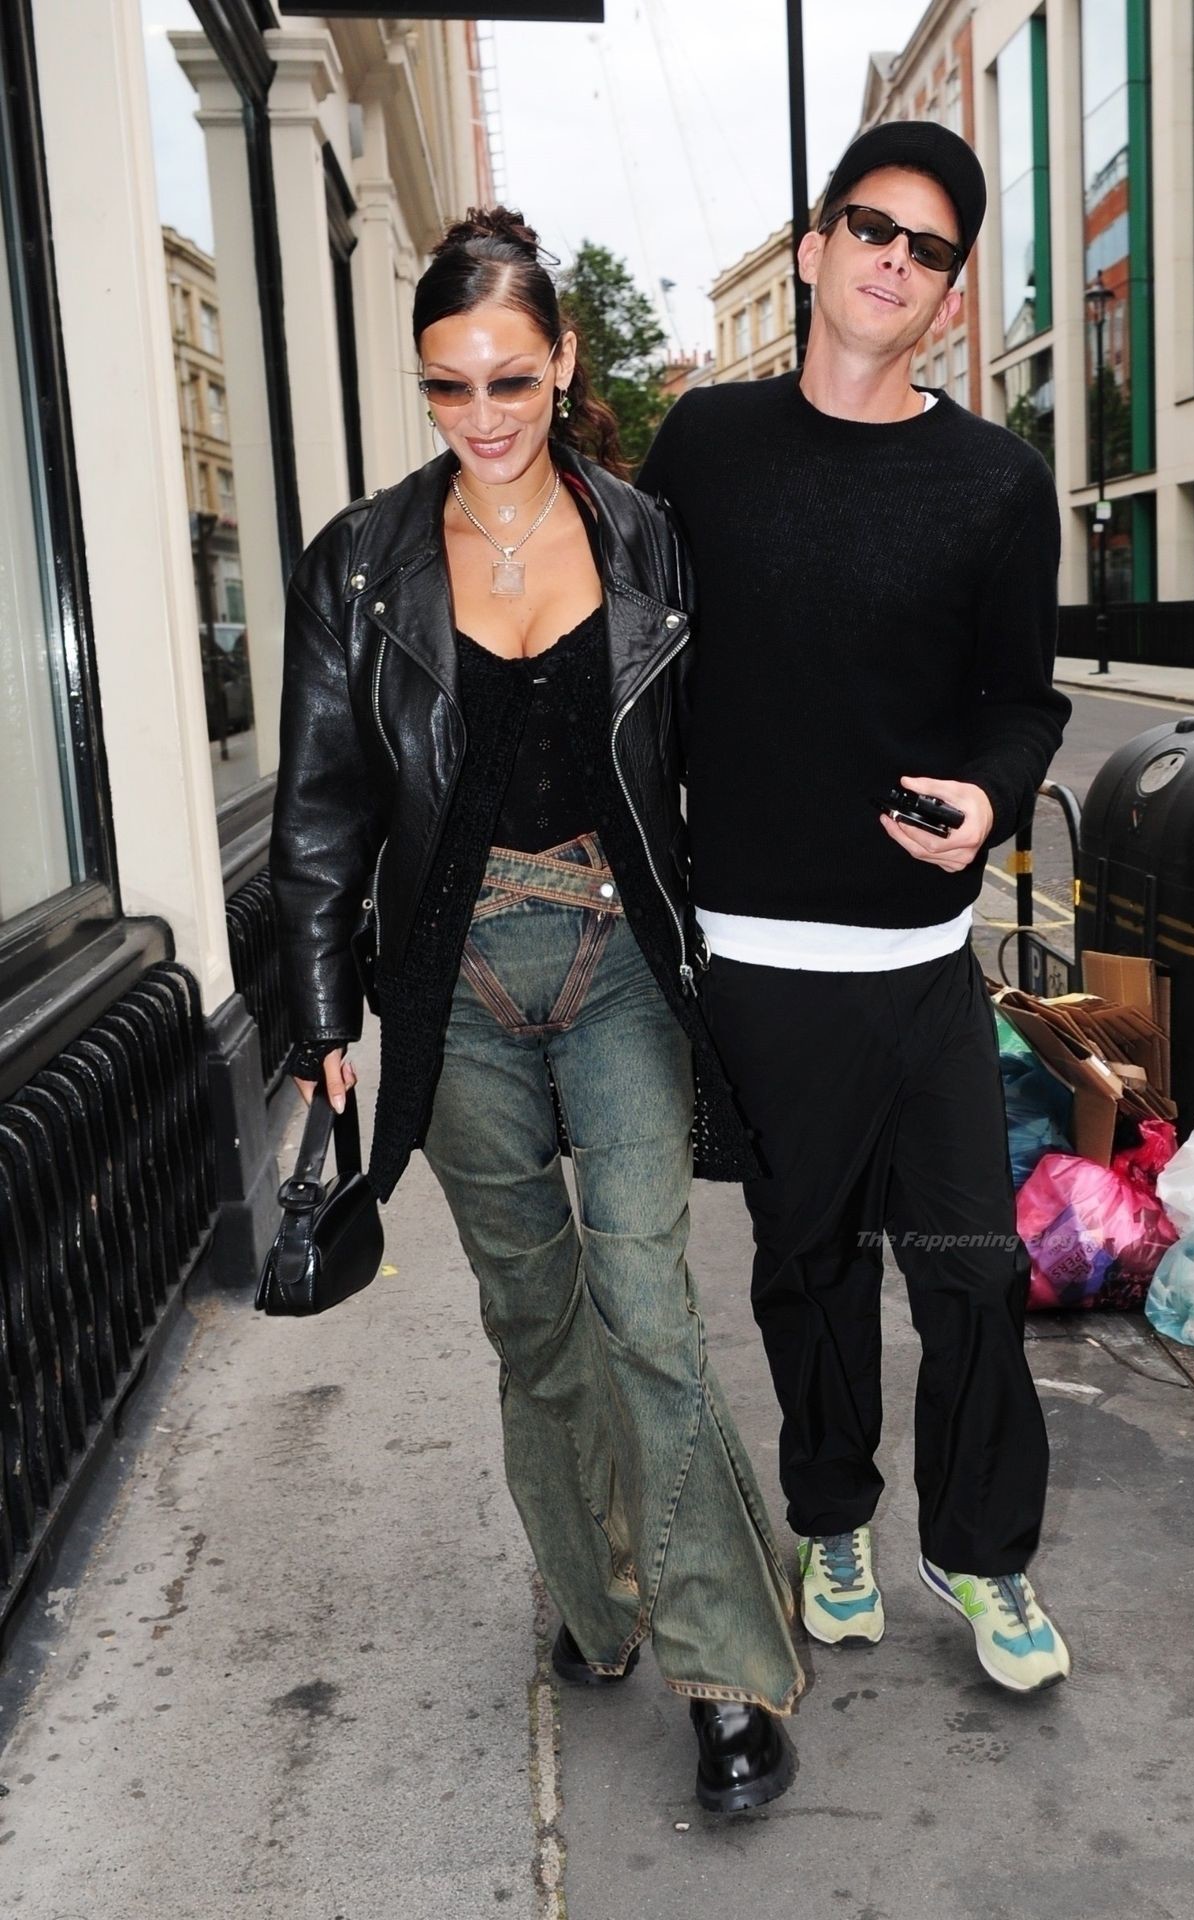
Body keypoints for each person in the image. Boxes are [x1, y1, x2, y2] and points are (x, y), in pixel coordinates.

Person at [269, 206, 803, 1810]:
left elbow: (731, 752)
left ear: (564, 362)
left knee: (649, 1311)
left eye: (511, 378)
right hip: (453, 980)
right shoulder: (358, 563)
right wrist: (322, 1018)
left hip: (616, 950)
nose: (483, 416)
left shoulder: (647, 542)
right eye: (448, 385)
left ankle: (724, 1670)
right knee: (533, 1319)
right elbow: (320, 809)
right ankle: (596, 1588)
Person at [639, 123, 1073, 1692]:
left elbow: (1023, 702)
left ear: (949, 296)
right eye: (871, 227)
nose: (895, 259)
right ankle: (834, 1521)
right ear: (817, 246)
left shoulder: (996, 482)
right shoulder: (705, 446)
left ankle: (983, 1552)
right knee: (807, 1271)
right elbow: (631, 663)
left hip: (923, 967)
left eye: (930, 248)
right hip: (760, 966)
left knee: (971, 1267)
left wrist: (992, 800)